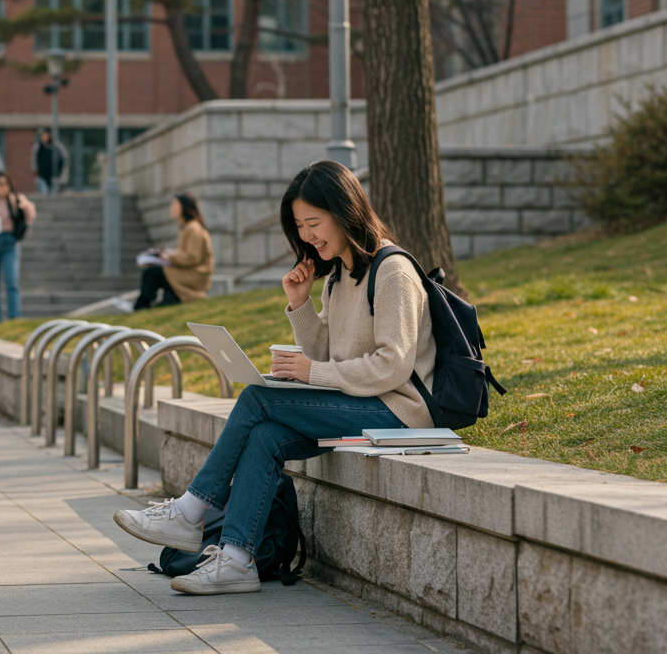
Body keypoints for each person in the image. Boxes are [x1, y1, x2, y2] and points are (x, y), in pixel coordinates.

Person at [113, 160, 436, 595]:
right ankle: (236, 561)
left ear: (345, 212)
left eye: (314, 222)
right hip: (360, 404)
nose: (307, 235)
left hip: (398, 411)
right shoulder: (339, 276)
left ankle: (190, 512)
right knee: (265, 435)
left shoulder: (392, 271)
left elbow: (393, 364)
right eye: (300, 225)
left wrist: (311, 372)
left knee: (256, 399)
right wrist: (300, 304)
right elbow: (329, 353)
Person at [134, 193, 213, 310]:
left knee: (152, 273)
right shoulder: (187, 228)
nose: (171, 208)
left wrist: (168, 257)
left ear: (183, 207)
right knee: (154, 273)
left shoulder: (193, 228)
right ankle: (163, 300)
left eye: (174, 204)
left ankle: (141, 307)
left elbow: (192, 257)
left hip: (195, 275)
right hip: (187, 271)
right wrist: (165, 254)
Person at [0, 172, 35, 322]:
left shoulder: (16, 199)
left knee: (11, 280)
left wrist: (25, 205)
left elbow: (30, 215)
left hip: (10, 241)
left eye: (5, 184)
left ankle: (14, 316)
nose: (2, 188)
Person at [32, 129, 68, 194]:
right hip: (42, 175)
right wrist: (35, 169)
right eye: (43, 136)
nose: (44, 137)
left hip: (55, 176)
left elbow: (64, 158)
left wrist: (62, 175)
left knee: (54, 194)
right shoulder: (39, 147)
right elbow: (34, 159)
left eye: (46, 135)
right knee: (44, 193)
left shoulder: (56, 146)